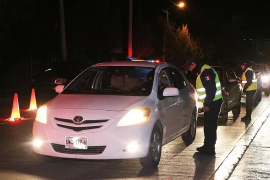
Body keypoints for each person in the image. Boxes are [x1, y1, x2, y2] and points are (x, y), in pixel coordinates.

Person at [185, 57, 223, 155]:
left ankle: (210, 149)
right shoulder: (203, 71)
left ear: (194, 64)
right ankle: (207, 146)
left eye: (189, 67)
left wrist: (207, 104)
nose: (189, 70)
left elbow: (211, 89)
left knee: (210, 126)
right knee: (208, 125)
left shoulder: (206, 72)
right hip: (212, 102)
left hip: (213, 103)